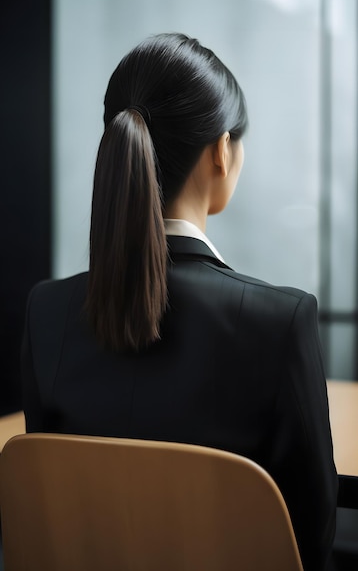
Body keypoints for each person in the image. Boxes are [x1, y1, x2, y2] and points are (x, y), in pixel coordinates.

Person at [21, 32, 337, 570]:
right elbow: (311, 533)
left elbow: (52, 511)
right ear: (221, 150)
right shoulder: (281, 322)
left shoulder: (48, 311)